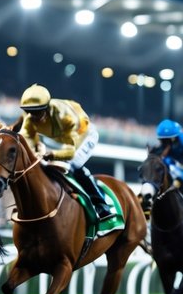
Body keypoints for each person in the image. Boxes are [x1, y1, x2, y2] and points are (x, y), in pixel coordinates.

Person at [18, 83, 115, 232]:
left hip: (83, 135)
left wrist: (49, 154)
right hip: (59, 139)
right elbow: (27, 141)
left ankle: (101, 204)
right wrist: (35, 151)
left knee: (74, 164)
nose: (33, 117)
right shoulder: (30, 118)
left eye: (37, 112)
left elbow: (69, 152)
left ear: (46, 108)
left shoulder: (64, 116)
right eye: (29, 112)